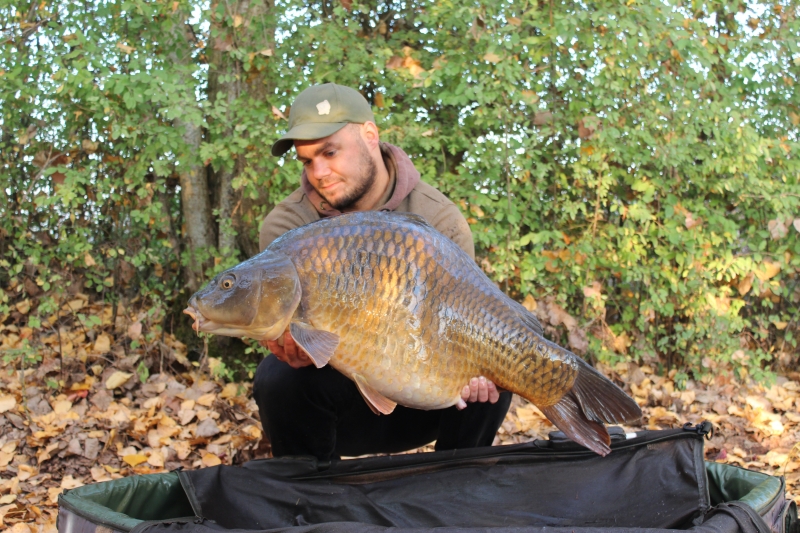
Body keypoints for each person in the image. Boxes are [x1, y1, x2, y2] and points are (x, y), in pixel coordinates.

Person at [253, 83, 514, 462]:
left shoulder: (439, 218)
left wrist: (477, 372)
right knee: (277, 380)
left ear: (370, 136)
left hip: (428, 399)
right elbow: (283, 332)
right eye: (307, 161)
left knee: (498, 370)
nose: (319, 173)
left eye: (329, 152)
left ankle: (454, 491)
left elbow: (465, 325)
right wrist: (290, 344)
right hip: (339, 414)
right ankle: (308, 501)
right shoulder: (288, 226)